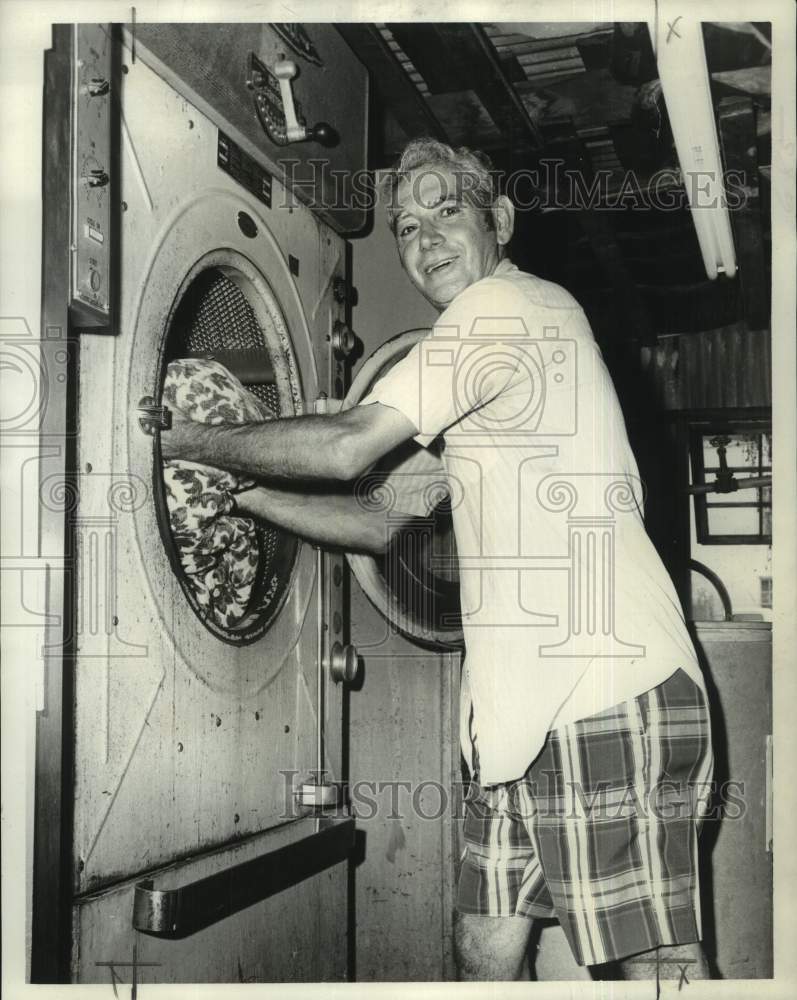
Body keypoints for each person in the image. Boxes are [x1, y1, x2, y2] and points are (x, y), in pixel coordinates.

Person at [161, 138, 714, 981]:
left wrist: (181, 438)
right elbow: (384, 523)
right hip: (521, 721)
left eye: (444, 211)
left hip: (603, 687)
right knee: (484, 947)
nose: (422, 242)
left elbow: (349, 448)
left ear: (499, 218)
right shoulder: (496, 366)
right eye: (405, 226)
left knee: (656, 965)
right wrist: (242, 495)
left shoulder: (505, 310)